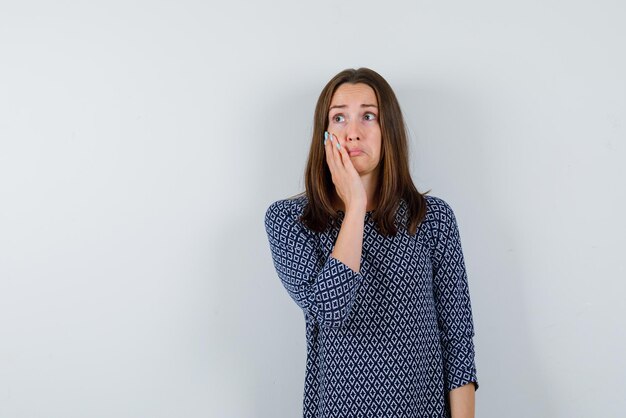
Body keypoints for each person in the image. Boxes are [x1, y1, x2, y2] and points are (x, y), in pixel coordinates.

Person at [264, 67, 479, 418]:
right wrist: (355, 209)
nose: (352, 133)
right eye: (338, 118)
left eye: (368, 116)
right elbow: (330, 312)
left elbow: (457, 341)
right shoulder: (290, 220)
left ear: (388, 130)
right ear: (324, 134)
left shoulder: (431, 218)